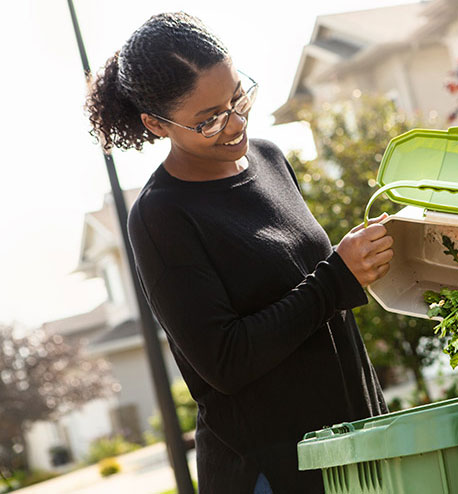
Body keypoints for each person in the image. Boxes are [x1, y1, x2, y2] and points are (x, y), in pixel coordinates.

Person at [85, 12, 393, 494]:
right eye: (207, 120)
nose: (234, 124)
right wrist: (337, 277)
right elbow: (225, 361)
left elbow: (315, 290)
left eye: (237, 98)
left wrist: (366, 261)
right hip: (270, 470)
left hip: (357, 443)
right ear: (155, 124)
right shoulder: (160, 216)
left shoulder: (270, 158)